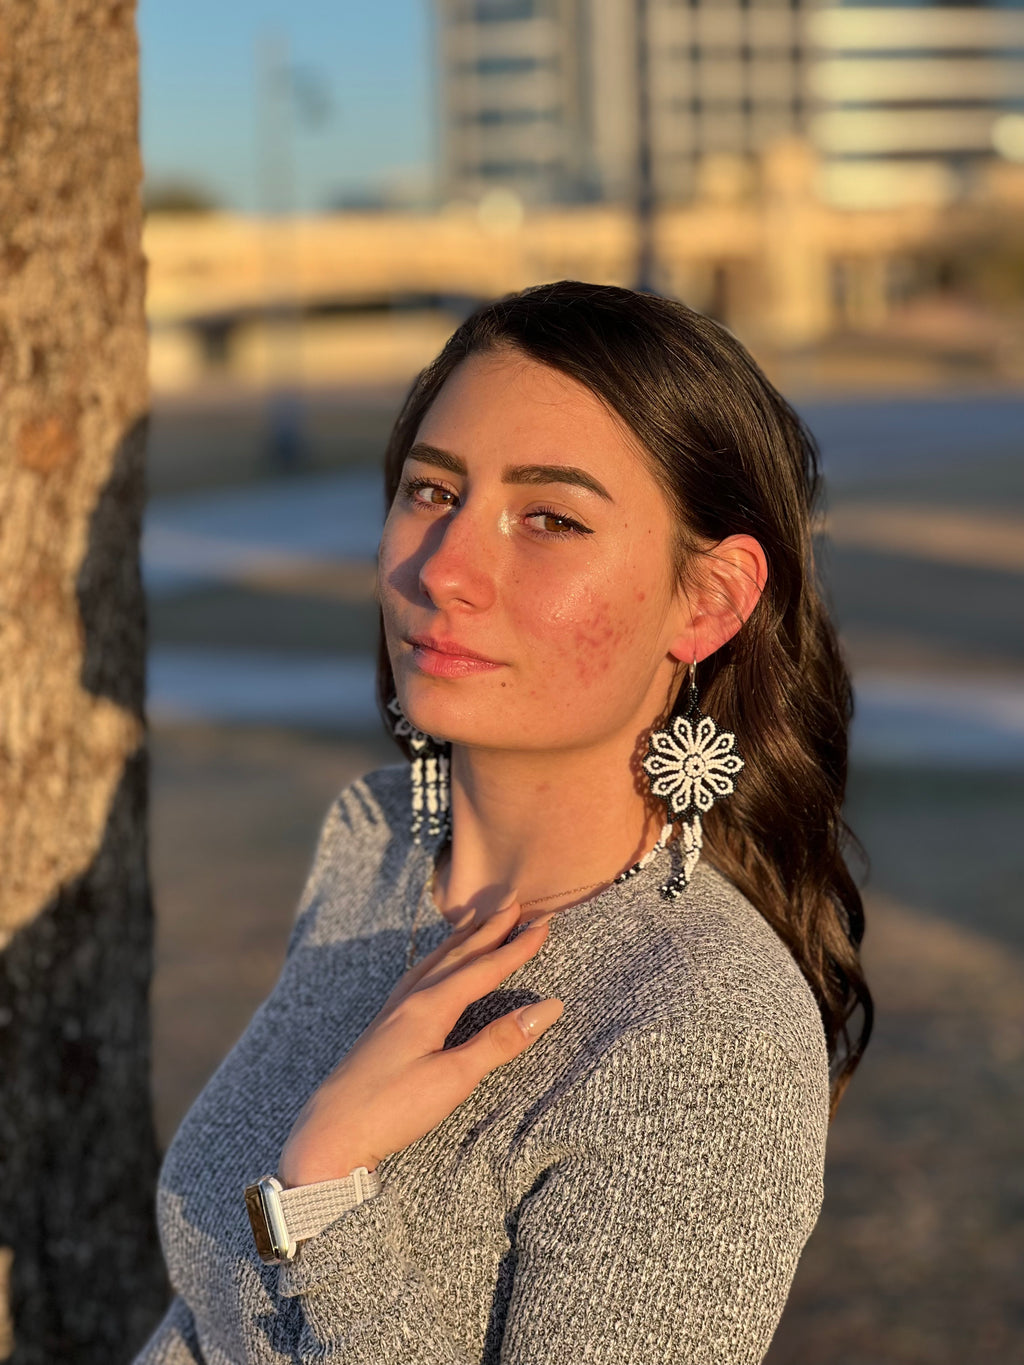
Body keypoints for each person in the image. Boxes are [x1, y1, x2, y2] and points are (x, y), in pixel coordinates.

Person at [135, 281, 872, 1364]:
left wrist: (328, 1191)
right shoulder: (377, 842)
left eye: (551, 519)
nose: (442, 570)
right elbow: (206, 1324)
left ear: (708, 600)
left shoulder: (707, 1034)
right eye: (432, 492)